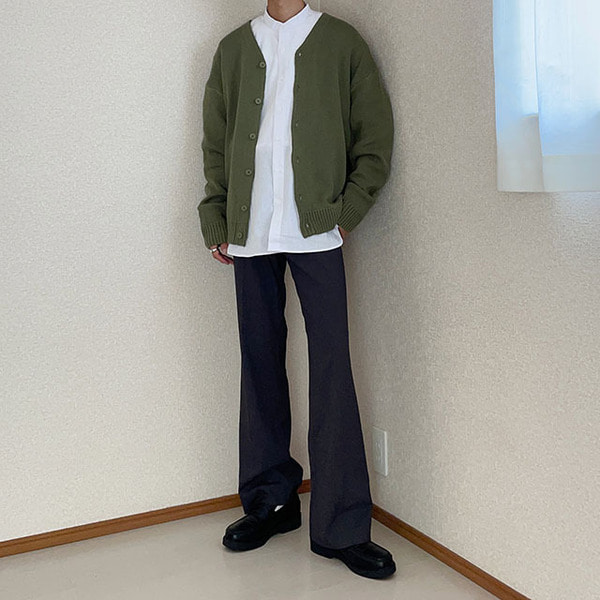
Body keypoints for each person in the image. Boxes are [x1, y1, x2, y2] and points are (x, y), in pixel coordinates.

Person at [197, 0, 395, 580]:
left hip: (317, 232)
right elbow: (216, 144)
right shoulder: (234, 49)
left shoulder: (342, 42)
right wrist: (216, 216)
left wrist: (347, 213)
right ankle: (270, 502)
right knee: (259, 360)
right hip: (249, 232)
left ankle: (342, 526)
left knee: (332, 366)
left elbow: (375, 138)